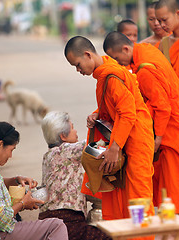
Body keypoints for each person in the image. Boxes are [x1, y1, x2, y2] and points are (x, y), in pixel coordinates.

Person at [103, 31, 179, 220]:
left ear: (125, 48)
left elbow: (162, 107)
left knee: (174, 189)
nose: (117, 63)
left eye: (117, 58)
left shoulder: (145, 70)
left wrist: (158, 138)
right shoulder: (146, 50)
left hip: (173, 129)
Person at [64, 36, 155, 225]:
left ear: (88, 55)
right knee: (121, 195)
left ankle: (141, 237)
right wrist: (99, 113)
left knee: (138, 199)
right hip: (126, 137)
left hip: (135, 138)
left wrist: (114, 147)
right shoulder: (107, 67)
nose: (78, 70)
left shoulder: (111, 76)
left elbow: (128, 113)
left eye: (78, 65)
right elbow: (118, 103)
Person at [0, 121, 68, 240]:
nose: (10, 156)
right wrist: (23, 204)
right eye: (11, 150)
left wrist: (15, 180)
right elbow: (0, 220)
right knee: (56, 226)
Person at [39, 111, 110, 240]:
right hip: (67, 220)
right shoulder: (68, 150)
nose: (76, 131)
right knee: (108, 236)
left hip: (45, 218)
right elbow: (97, 145)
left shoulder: (47, 156)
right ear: (63, 136)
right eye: (72, 128)